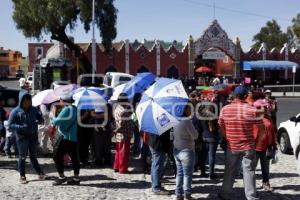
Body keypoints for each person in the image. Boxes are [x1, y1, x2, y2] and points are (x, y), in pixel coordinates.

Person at [218, 86, 265, 200]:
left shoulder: (225, 109)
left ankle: (225, 193)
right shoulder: (252, 110)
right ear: (245, 96)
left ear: (233, 96)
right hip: (248, 145)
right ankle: (251, 196)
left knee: (229, 170)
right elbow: (261, 128)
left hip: (232, 145)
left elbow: (221, 126)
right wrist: (256, 141)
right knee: (249, 171)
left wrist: (227, 137)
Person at [8, 91, 45, 184]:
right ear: (21, 101)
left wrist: (40, 120)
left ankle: (40, 172)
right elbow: (10, 125)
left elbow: (40, 118)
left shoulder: (34, 109)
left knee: (33, 156)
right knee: (22, 157)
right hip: (22, 137)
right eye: (25, 101)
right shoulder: (15, 111)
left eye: (28, 101)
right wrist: (20, 127)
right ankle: (22, 175)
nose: (27, 103)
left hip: (33, 136)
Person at [51, 95, 80, 185]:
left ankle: (61, 177)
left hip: (65, 137)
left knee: (56, 156)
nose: (60, 102)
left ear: (63, 101)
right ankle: (76, 178)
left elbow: (56, 122)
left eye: (60, 100)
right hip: (73, 136)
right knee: (75, 158)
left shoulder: (67, 109)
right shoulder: (75, 108)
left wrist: (53, 115)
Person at [173, 103, 199, 200]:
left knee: (179, 173)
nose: (191, 111)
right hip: (187, 150)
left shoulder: (176, 120)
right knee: (187, 174)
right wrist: (196, 130)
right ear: (185, 110)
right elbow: (195, 136)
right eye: (189, 109)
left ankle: (178, 194)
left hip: (177, 149)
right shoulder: (187, 121)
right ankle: (187, 195)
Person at [253, 99, 277, 192]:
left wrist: (274, 145)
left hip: (266, 148)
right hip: (254, 148)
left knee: (266, 168)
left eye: (265, 107)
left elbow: (272, 132)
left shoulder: (268, 117)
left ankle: (265, 183)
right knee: (252, 168)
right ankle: (251, 185)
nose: (265, 108)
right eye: (262, 107)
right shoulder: (252, 118)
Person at [113, 93, 134, 174]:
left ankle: (116, 166)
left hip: (119, 134)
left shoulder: (117, 108)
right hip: (124, 133)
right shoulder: (124, 112)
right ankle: (123, 169)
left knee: (118, 151)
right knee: (124, 153)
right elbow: (122, 124)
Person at [147, 129, 171, 195]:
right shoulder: (160, 120)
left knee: (155, 164)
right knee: (157, 165)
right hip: (158, 144)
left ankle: (155, 184)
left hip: (154, 143)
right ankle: (156, 187)